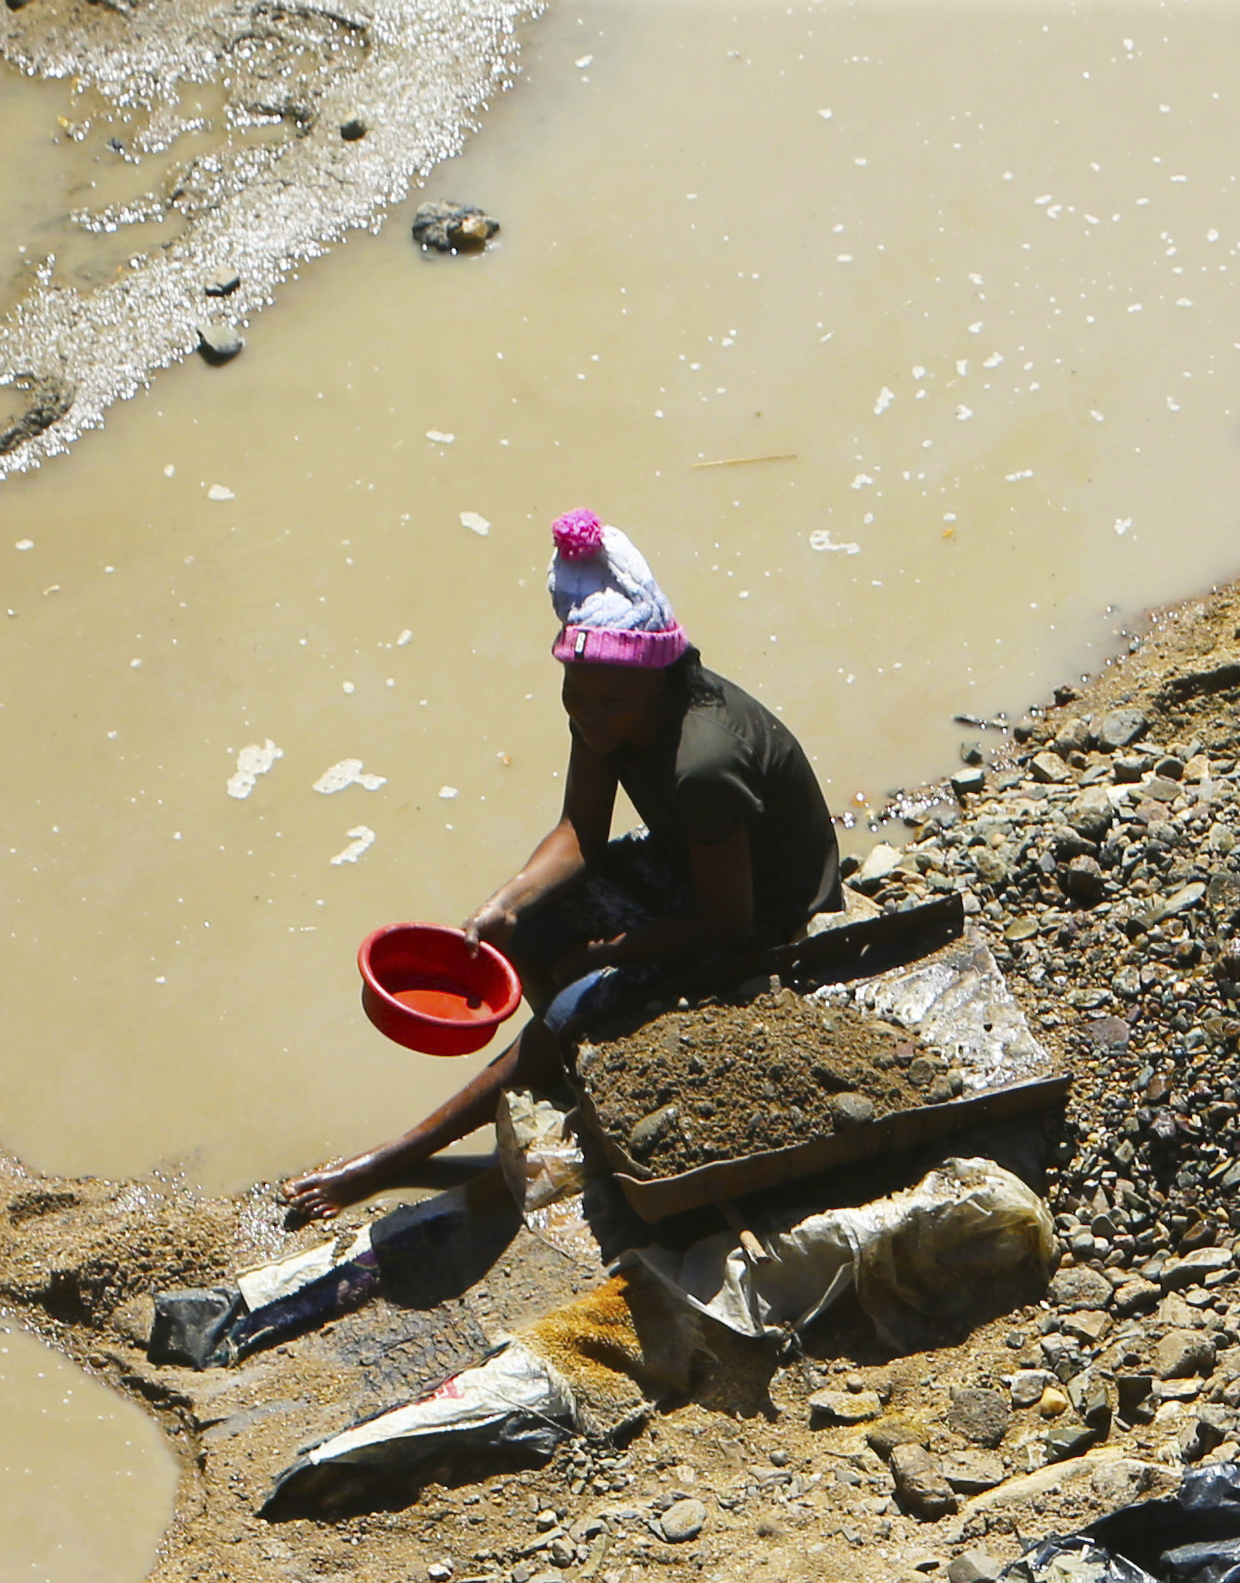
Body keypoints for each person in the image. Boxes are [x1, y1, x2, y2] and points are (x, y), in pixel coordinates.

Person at [284, 510, 845, 1224]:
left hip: (758, 916)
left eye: (606, 699)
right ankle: (564, 1063)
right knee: (523, 938)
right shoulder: (608, 706)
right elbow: (581, 830)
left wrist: (605, 952)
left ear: (655, 679)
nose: (587, 713)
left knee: (573, 1004)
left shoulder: (703, 761)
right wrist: (507, 902)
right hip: (687, 865)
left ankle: (401, 1154)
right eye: (576, 694)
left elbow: (727, 919)